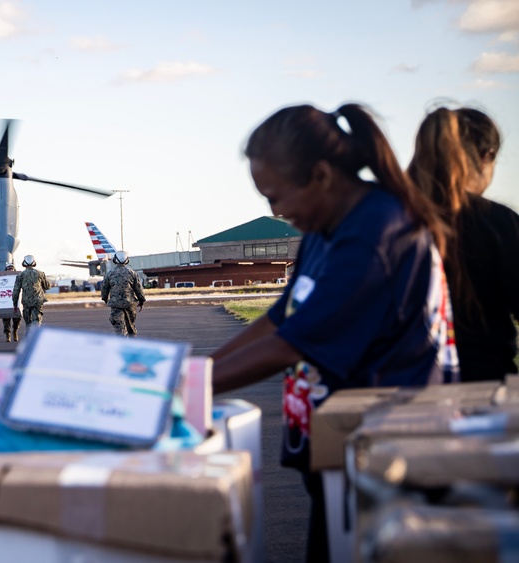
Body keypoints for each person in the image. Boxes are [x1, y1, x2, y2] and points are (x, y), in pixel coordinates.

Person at [210, 103, 458, 563]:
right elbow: (282, 317)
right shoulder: (327, 231)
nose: (275, 211)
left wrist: (188, 388)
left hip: (389, 456)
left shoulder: (377, 230)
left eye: (275, 197)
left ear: (321, 175)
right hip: (337, 444)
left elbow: (294, 341)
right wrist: (199, 371)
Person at [408, 106, 519, 381]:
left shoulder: (393, 220)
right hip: (485, 389)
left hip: (404, 394)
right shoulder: (498, 222)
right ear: (487, 157)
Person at [101, 251, 146, 336]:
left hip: (116, 305)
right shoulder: (132, 273)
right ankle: (132, 346)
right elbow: (138, 289)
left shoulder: (109, 274)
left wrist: (105, 299)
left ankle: (122, 344)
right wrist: (141, 301)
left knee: (119, 329)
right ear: (127, 261)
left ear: (115, 260)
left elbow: (104, 289)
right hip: (129, 304)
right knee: (131, 328)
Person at [12, 254, 50, 335]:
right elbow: (47, 286)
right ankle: (35, 338)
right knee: (36, 321)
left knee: (28, 323)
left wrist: (15, 304)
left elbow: (16, 291)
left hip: (26, 302)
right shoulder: (40, 273)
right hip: (38, 301)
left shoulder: (20, 275)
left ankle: (29, 338)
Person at [1, 263, 21, 342]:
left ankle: (15, 331)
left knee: (17, 319)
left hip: (16, 301)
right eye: (9, 268)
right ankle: (7, 334)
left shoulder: (18, 277)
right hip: (5, 301)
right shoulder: (2, 278)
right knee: (6, 320)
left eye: (12, 268)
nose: (10, 270)